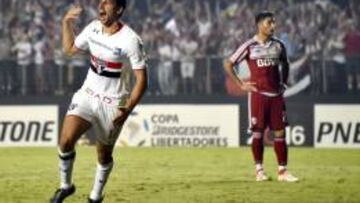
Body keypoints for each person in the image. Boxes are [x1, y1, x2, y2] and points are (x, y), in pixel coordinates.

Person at [50, 0, 148, 202]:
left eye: (108, 2)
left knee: (103, 155)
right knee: (65, 141)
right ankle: (66, 186)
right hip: (87, 94)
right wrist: (66, 23)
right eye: (100, 1)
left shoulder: (131, 40)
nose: (101, 6)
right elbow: (69, 49)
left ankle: (95, 196)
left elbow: (142, 80)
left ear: (119, 9)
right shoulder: (93, 28)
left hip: (113, 103)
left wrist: (127, 108)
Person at [223, 11, 298, 182]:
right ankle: (259, 171)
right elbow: (228, 63)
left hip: (276, 96)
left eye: (274, 22)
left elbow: (286, 64)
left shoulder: (279, 45)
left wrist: (284, 83)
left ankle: (282, 171)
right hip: (258, 96)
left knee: (280, 133)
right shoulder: (249, 46)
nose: (273, 26)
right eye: (269, 22)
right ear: (259, 25)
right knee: (257, 133)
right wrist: (241, 83)